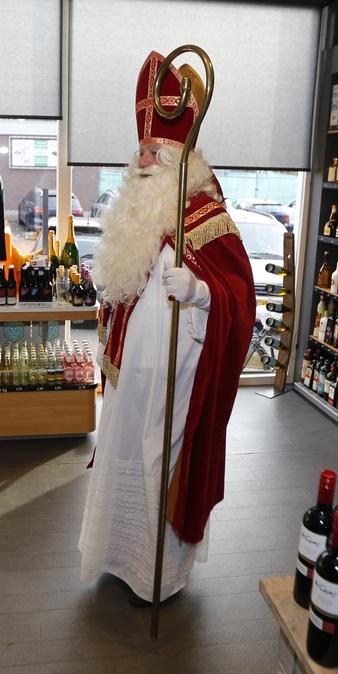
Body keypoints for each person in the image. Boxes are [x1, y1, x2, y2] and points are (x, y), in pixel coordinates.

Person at [78, 51, 255, 604]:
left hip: (178, 374)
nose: (144, 159)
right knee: (124, 449)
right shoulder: (137, 213)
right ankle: (118, 556)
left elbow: (240, 297)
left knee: (161, 459)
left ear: (182, 157)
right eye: (142, 150)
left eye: (156, 151)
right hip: (131, 375)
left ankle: (158, 574)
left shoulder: (204, 214)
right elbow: (123, 287)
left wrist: (201, 291)